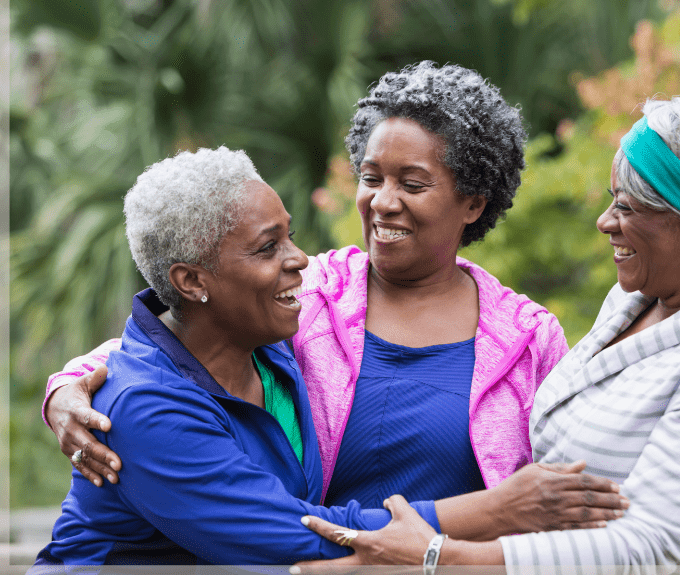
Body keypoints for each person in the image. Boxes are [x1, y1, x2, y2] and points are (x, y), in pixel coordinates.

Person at [33, 147, 625, 566]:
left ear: (473, 202)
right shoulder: (146, 408)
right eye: (270, 247)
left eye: (413, 184)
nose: (298, 259)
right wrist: (496, 511)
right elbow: (293, 534)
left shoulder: (280, 342)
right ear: (192, 280)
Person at [296, 89, 680, 571]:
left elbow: (645, 546)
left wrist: (433, 554)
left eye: (629, 207)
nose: (605, 221)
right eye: (613, 199)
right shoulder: (633, 303)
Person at [42, 62, 569, 505]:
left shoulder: (528, 339)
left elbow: (558, 491)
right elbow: (173, 343)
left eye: (412, 184)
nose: (383, 201)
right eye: (370, 178)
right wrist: (66, 389)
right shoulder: (312, 292)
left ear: (473, 202)